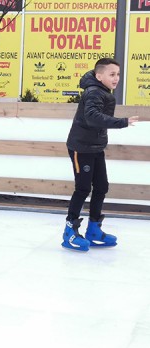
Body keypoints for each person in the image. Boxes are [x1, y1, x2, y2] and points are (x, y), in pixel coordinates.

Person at [62, 58, 138, 251]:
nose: (116, 78)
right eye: (112, 74)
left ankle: (94, 230)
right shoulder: (94, 92)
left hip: (95, 147)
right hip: (81, 147)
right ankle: (69, 232)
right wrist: (122, 122)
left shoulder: (101, 91)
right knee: (82, 189)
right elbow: (93, 117)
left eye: (118, 74)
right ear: (99, 75)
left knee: (102, 186)